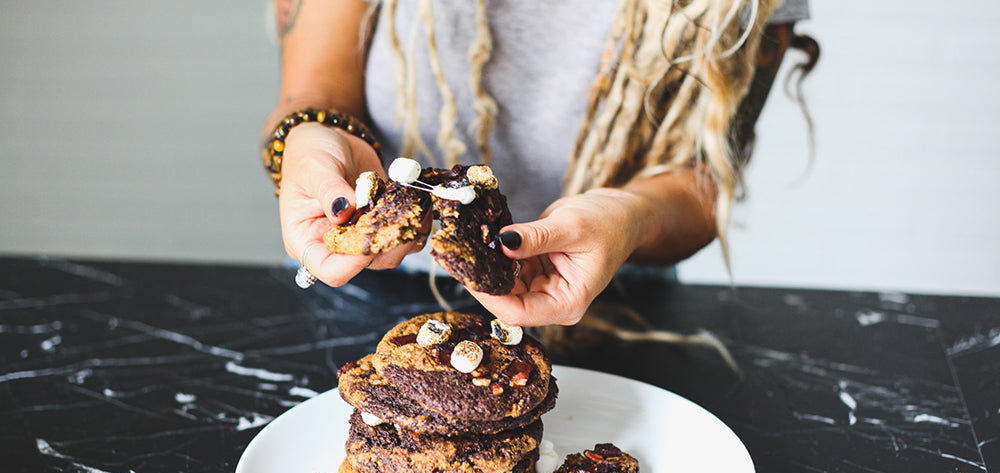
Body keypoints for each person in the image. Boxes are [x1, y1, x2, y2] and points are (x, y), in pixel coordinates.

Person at [261, 0, 815, 327]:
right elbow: (312, 94)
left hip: (616, 298)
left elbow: (706, 174)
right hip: (367, 290)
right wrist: (309, 139)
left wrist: (632, 215)